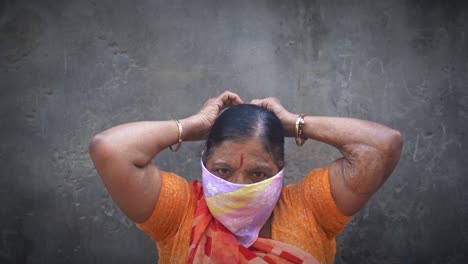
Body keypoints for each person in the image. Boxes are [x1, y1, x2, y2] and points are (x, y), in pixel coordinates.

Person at [89, 91, 403, 263]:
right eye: (223, 171)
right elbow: (110, 149)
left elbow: (382, 145)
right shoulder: (178, 212)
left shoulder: (311, 209)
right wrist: (194, 125)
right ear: (204, 161)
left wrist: (294, 122)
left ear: (281, 169)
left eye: (258, 173)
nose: (239, 186)